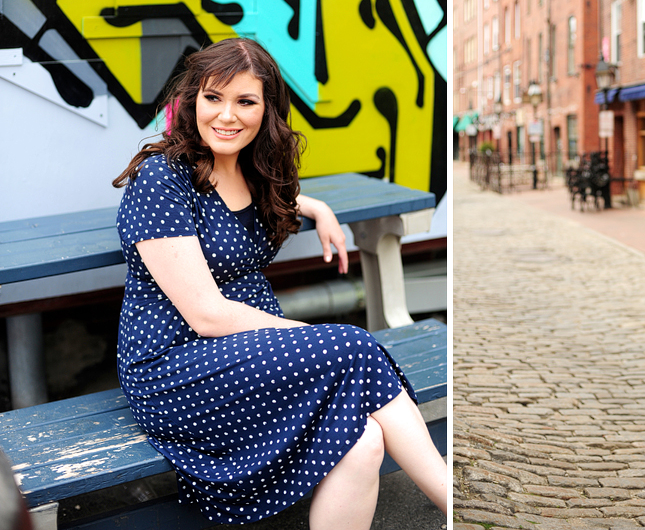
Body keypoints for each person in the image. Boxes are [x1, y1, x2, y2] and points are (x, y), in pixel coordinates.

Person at [112, 37, 446, 528]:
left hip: (246, 353)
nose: (227, 116)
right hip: (175, 367)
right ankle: (452, 505)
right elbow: (206, 315)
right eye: (213, 98)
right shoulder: (164, 179)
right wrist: (308, 338)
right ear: (192, 100)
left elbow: (263, 205)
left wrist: (314, 205)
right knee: (352, 346)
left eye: (245, 101)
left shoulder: (253, 171)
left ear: (266, 110)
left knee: (365, 441)